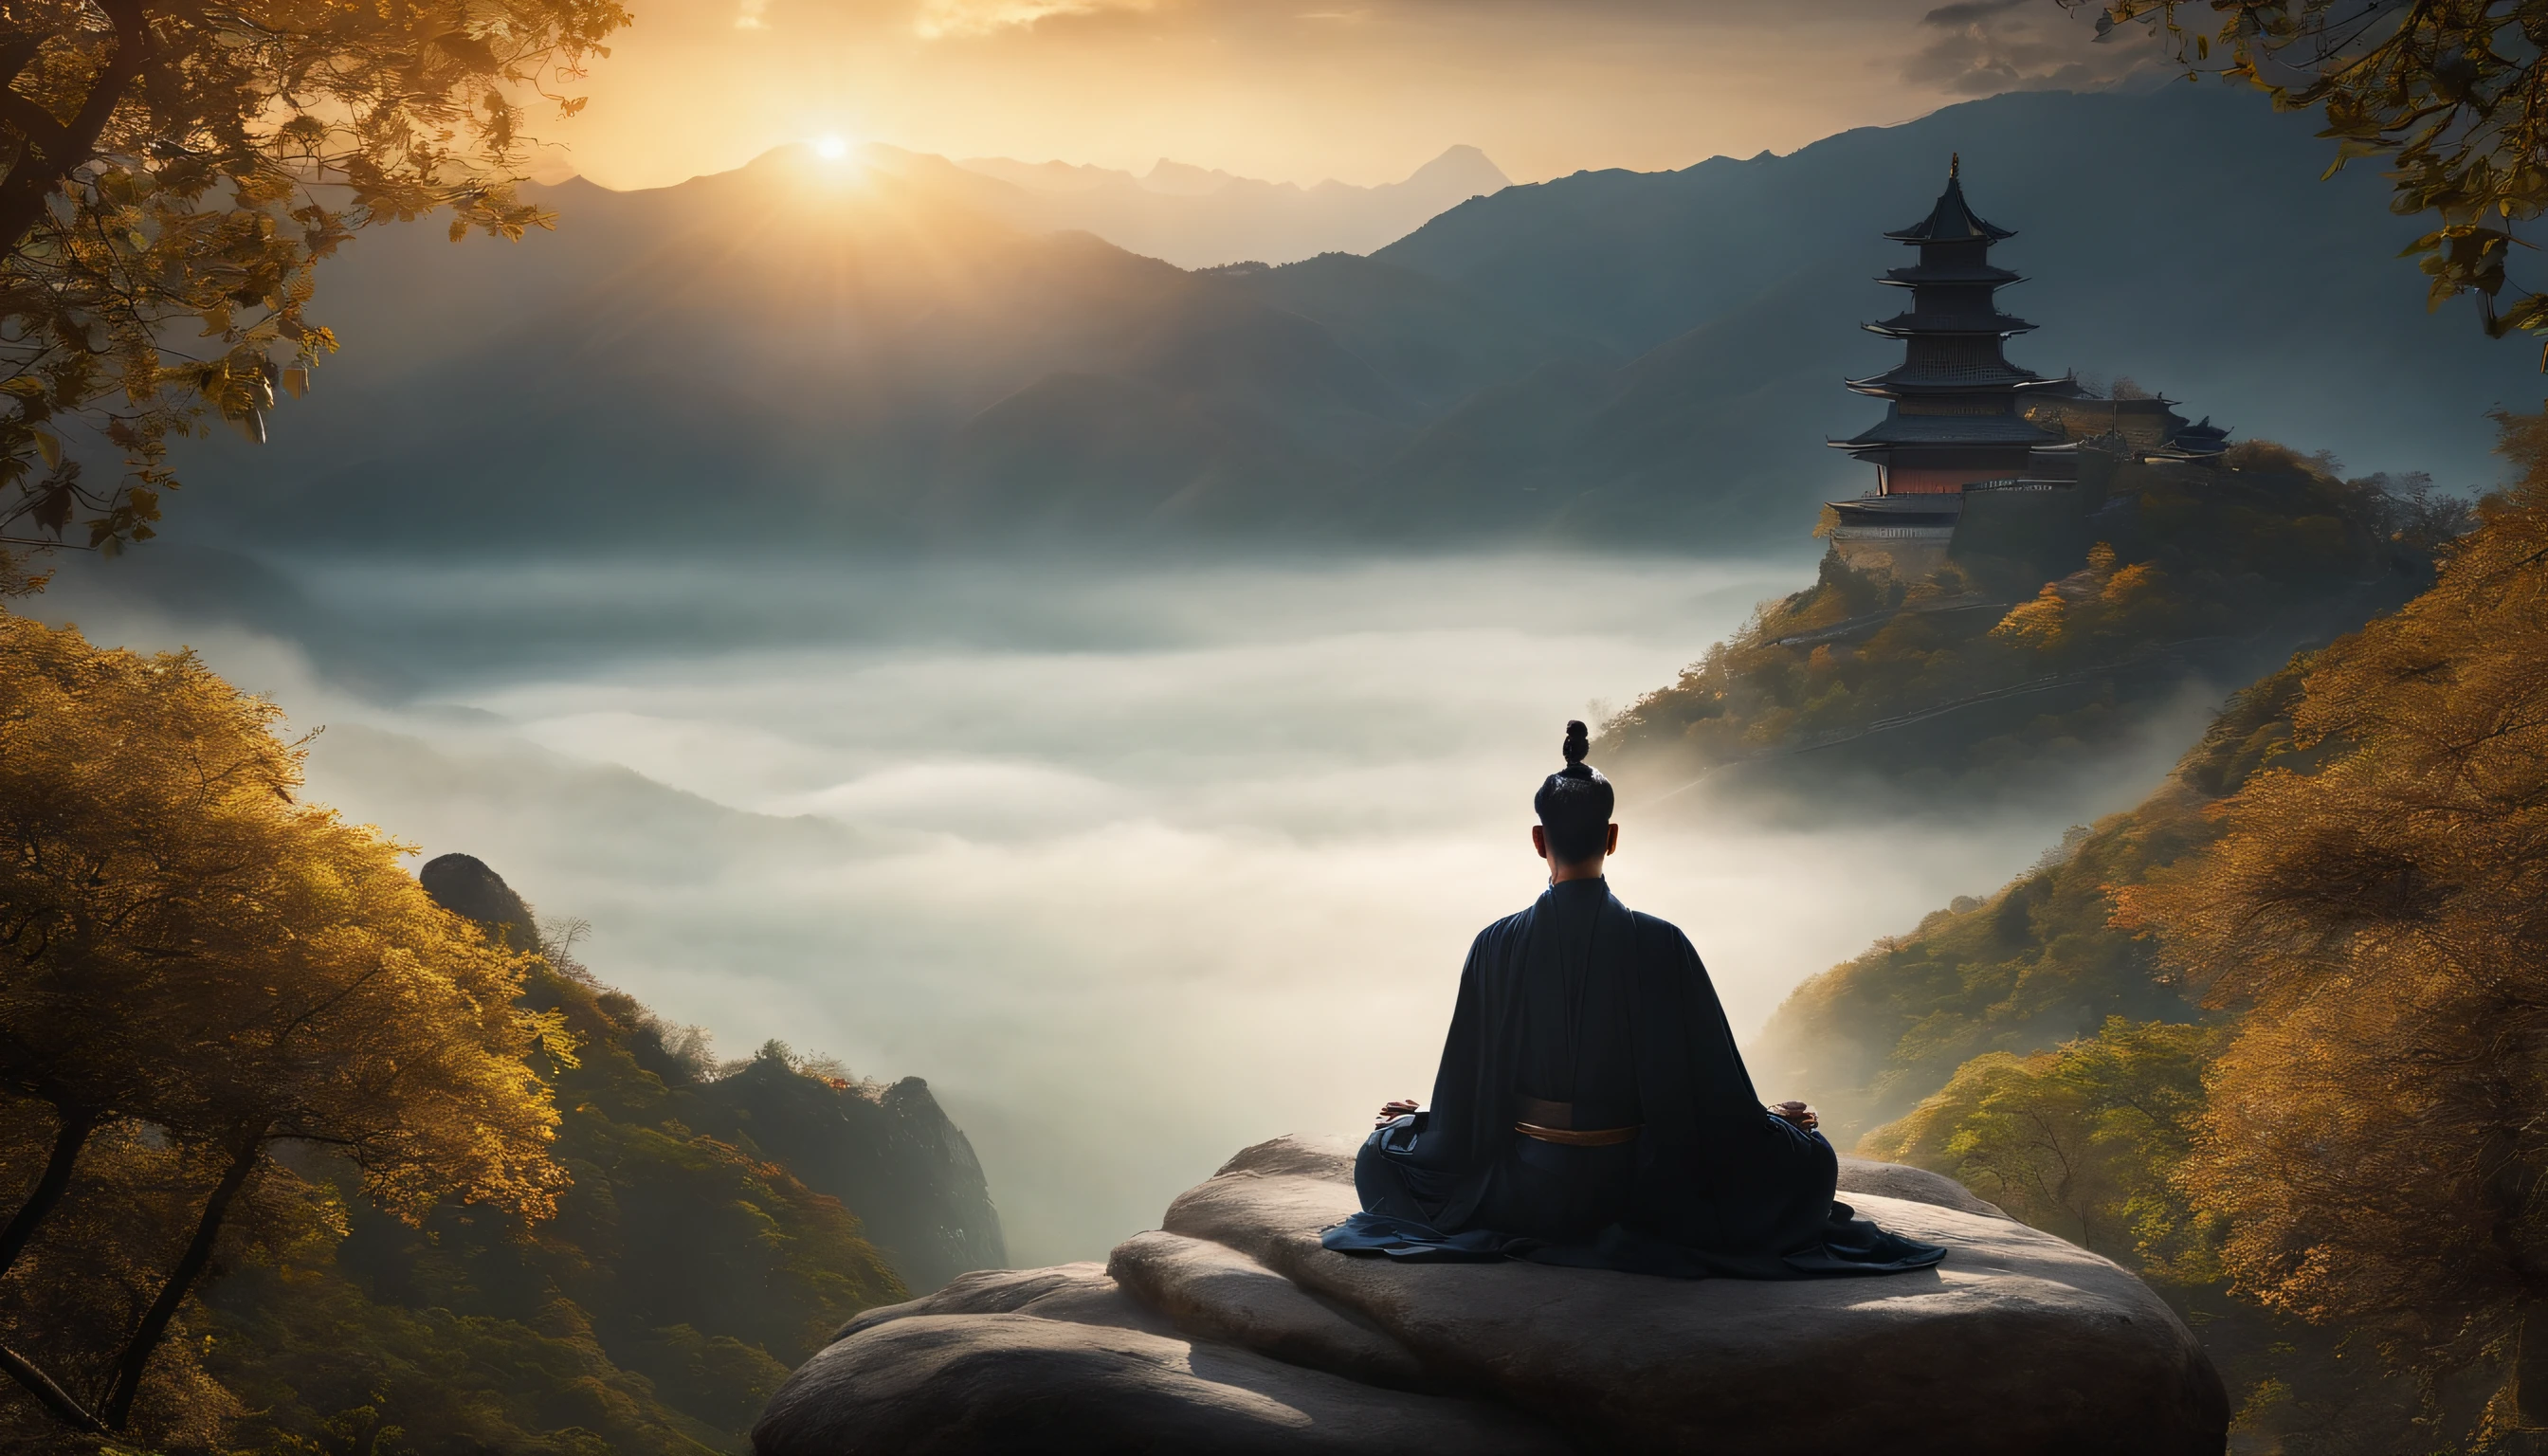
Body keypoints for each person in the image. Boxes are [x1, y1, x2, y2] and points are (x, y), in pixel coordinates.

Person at [1321, 722, 1947, 1278]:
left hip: (1523, 1192)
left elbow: (1466, 1099)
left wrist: (1419, 1124)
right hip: (1641, 1191)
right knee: (1812, 1160)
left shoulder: (1495, 945)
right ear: (1612, 836)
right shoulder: (1662, 943)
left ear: (1539, 841)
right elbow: (1714, 1093)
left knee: (1380, 1154)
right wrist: (1775, 1127)